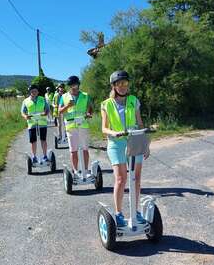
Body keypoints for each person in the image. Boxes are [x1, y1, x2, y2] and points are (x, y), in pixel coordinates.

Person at [101, 70, 148, 227]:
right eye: (119, 84)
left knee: (136, 179)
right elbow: (104, 128)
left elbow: (140, 123)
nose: (122, 86)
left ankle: (136, 212)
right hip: (116, 143)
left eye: (125, 83)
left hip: (134, 141)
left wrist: (145, 144)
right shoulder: (106, 104)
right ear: (113, 85)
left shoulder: (134, 100)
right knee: (121, 179)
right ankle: (119, 213)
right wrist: (114, 133)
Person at [58, 76, 93, 174]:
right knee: (73, 151)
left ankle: (86, 170)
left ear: (78, 84)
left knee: (85, 149)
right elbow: (59, 111)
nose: (74, 87)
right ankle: (76, 171)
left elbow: (90, 108)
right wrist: (68, 106)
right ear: (69, 86)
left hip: (83, 125)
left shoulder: (85, 95)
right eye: (72, 85)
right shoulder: (64, 97)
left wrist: (89, 114)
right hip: (71, 126)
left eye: (75, 84)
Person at [21, 84, 50, 164]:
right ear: (30, 92)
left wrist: (45, 113)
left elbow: (47, 109)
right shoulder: (26, 101)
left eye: (35, 91)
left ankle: (45, 156)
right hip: (32, 123)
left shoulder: (42, 99)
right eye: (32, 91)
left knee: (43, 140)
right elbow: (22, 112)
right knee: (33, 141)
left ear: (38, 91)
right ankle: (34, 157)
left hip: (42, 122)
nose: (34, 92)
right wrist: (25, 116)